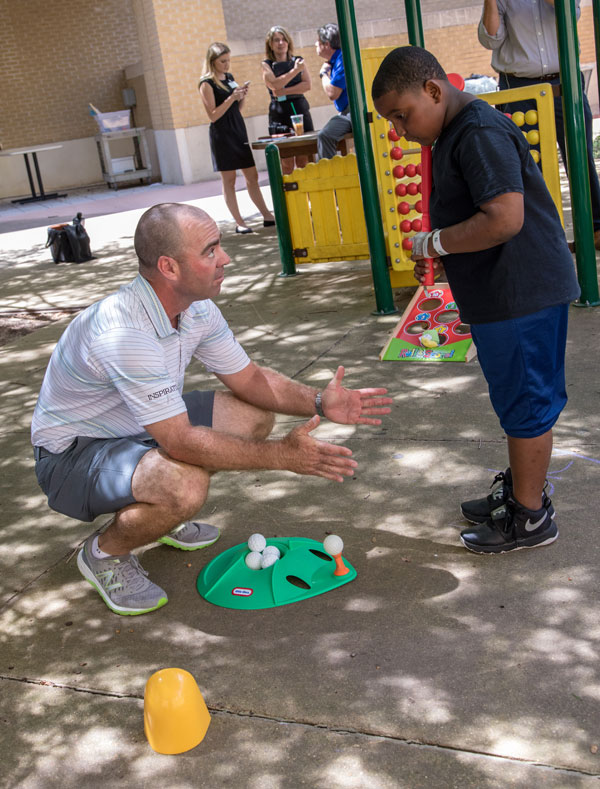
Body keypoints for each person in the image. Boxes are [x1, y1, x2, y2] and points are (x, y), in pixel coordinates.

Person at [31, 203, 392, 615]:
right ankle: (105, 553)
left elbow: (249, 379)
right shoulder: (125, 333)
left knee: (251, 417)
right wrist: (283, 456)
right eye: (210, 250)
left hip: (136, 424)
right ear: (169, 267)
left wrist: (318, 401)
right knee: (184, 485)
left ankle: (161, 515)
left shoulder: (194, 307)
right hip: (72, 455)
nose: (226, 258)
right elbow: (181, 441)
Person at [372, 46, 580, 555]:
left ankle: (531, 518)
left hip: (520, 294)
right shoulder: (454, 130)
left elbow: (505, 218)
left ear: (434, 90)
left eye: (402, 115)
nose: (400, 130)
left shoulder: (477, 133)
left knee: (526, 405)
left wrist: (435, 242)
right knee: (518, 399)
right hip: (505, 293)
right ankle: (523, 492)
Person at [478, 0, 600, 251]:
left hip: (564, 83)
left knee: (580, 158)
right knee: (531, 168)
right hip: (520, 89)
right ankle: (545, 238)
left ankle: (596, 228)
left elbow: (569, 13)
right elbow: (490, 40)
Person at [199, 42, 275, 234]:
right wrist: (231, 98)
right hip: (222, 135)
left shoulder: (230, 78)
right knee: (230, 180)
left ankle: (266, 214)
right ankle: (239, 222)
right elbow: (214, 115)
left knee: (252, 176)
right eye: (223, 61)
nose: (227, 65)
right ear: (212, 61)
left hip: (237, 130)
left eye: (228, 60)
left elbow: (236, 110)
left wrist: (241, 97)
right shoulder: (206, 83)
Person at [262, 26, 314, 175]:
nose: (281, 43)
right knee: (286, 162)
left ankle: (307, 196)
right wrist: (295, 71)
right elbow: (274, 84)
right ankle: (290, 196)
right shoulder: (266, 65)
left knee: (304, 160)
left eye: (284, 39)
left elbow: (307, 85)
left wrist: (284, 91)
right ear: (270, 45)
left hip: (299, 109)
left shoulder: (298, 60)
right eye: (276, 40)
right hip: (279, 113)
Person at [315, 23, 352, 160]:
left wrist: (323, 74)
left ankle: (327, 173)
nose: (315, 44)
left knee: (325, 135)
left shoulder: (342, 59)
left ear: (327, 44)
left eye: (318, 41)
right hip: (346, 112)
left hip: (353, 113)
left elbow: (333, 93)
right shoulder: (336, 60)